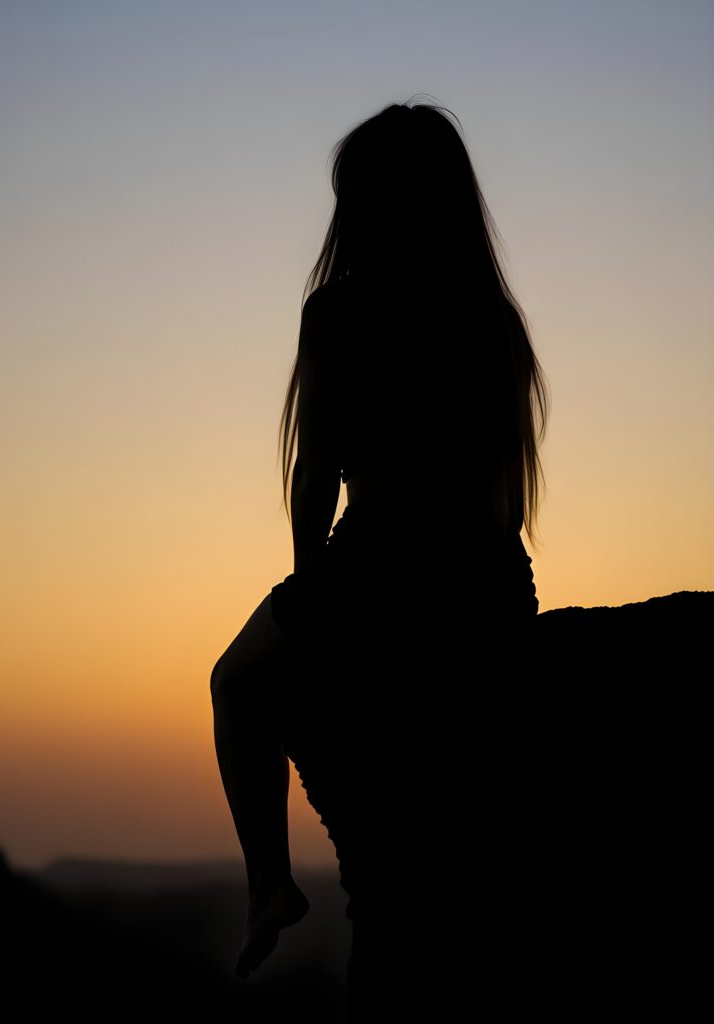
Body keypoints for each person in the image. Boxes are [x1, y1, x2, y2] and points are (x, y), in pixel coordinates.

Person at [210, 96, 549, 985]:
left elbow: (314, 473)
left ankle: (268, 883)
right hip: (486, 577)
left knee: (234, 683)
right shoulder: (493, 321)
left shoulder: (339, 312)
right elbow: (507, 495)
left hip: (375, 565)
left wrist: (311, 584)